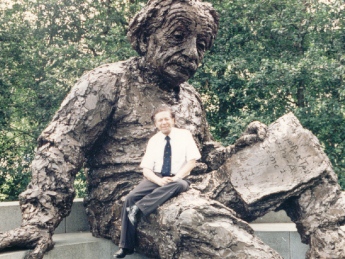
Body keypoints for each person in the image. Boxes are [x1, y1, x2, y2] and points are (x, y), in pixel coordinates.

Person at [114, 105, 201, 258]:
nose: (163, 122)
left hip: (178, 178)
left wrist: (177, 177)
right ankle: (126, 246)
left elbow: (192, 162)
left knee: (180, 185)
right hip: (157, 177)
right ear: (156, 124)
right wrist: (159, 181)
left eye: (166, 119)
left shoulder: (184, 135)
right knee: (130, 198)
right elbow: (146, 170)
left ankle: (139, 209)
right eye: (159, 120)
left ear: (173, 120)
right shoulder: (154, 140)